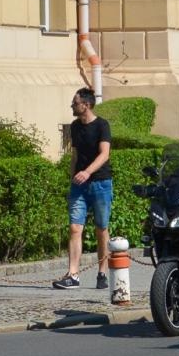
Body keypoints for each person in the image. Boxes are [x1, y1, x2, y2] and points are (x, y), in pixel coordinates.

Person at [55, 88, 112, 289]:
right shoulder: (75, 126)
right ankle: (73, 275)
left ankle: (102, 272)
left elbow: (104, 154)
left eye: (75, 103)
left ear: (86, 105)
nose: (72, 106)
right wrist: (73, 178)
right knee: (74, 227)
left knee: (101, 229)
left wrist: (87, 172)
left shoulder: (102, 125)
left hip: (101, 183)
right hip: (79, 186)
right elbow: (75, 155)